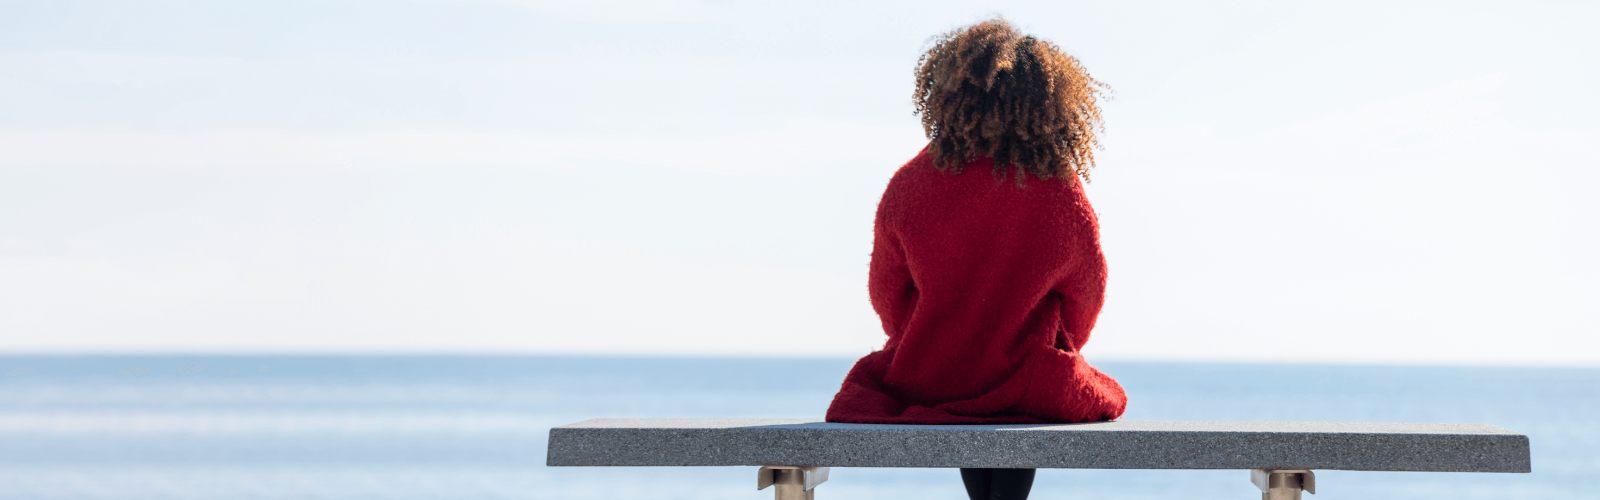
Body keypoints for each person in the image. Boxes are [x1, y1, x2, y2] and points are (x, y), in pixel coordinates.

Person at [823, 18, 1128, 500]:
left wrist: (932, 335)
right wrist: (1053, 342)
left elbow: (887, 295)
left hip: (934, 376)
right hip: (1025, 377)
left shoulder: (911, 183)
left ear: (948, 93)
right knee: (1030, 401)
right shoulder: (1058, 188)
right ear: (1047, 103)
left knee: (969, 396)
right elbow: (1085, 293)